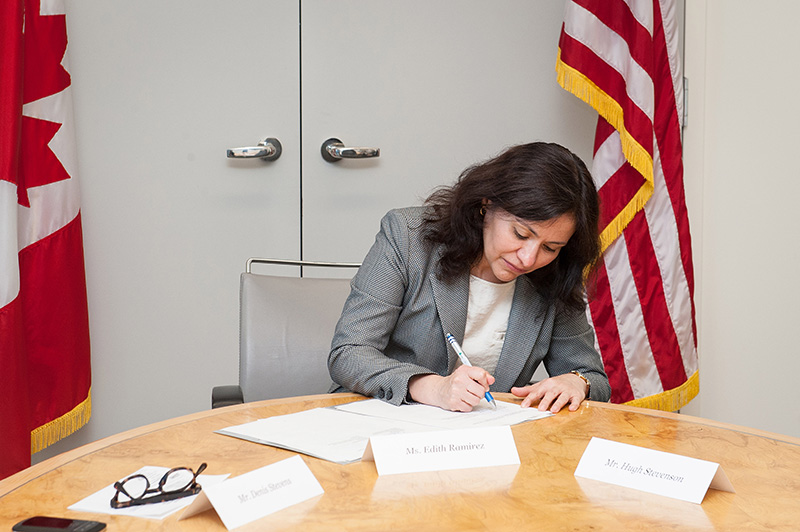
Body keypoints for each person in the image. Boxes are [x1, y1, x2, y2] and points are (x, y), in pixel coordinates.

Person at [328, 142, 611, 413]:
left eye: (550, 247)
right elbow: (350, 352)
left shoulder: (554, 271)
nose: (529, 259)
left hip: (485, 441)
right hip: (383, 422)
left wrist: (577, 382)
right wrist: (433, 388)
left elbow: (593, 376)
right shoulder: (408, 237)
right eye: (521, 234)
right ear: (486, 205)